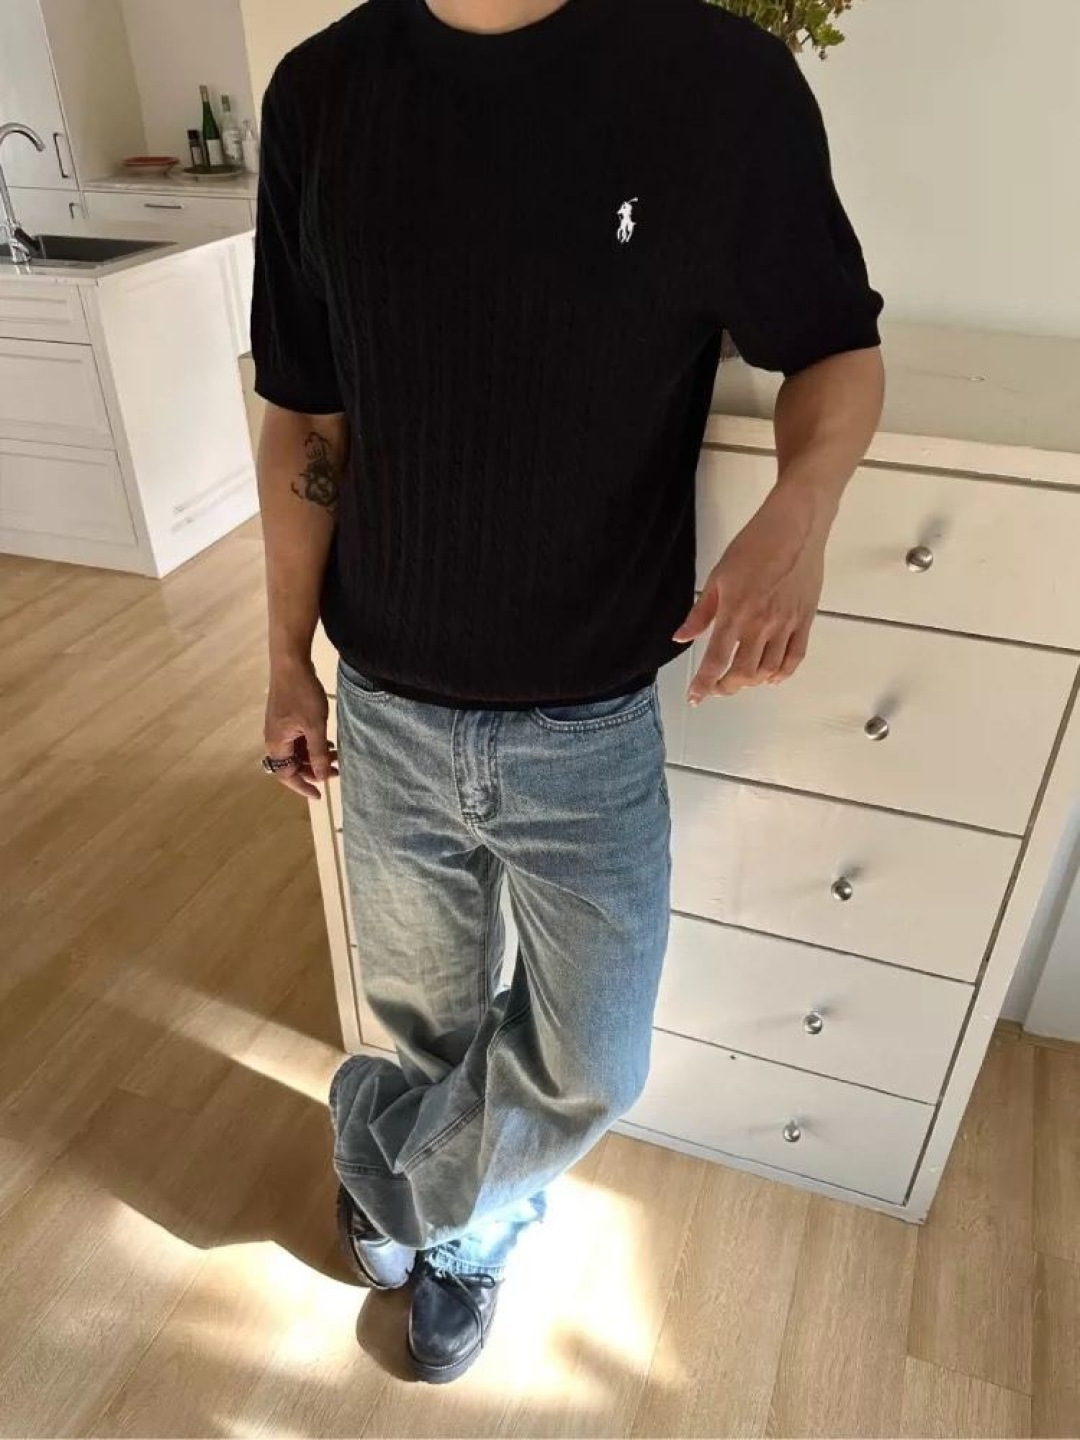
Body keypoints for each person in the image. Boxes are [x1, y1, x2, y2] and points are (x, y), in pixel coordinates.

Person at [252, 0, 884, 1385]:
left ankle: (399, 1181)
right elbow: (306, 413)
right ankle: (471, 1222)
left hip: (587, 724)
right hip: (387, 709)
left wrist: (801, 510)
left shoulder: (715, 81)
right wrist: (285, 655)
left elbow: (836, 342)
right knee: (425, 1030)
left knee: (594, 1059)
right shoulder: (320, 93)